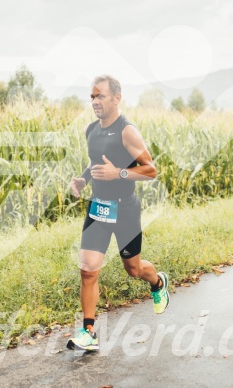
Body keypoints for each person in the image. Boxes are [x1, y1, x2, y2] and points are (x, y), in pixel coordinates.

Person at [67, 75, 169, 352]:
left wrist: (119, 173)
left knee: (133, 269)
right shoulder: (91, 129)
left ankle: (158, 282)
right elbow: (95, 161)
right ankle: (88, 331)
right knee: (88, 270)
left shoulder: (127, 131)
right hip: (99, 207)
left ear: (116, 98)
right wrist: (84, 179)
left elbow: (150, 170)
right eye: (92, 97)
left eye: (100, 96)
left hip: (125, 209)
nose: (95, 102)